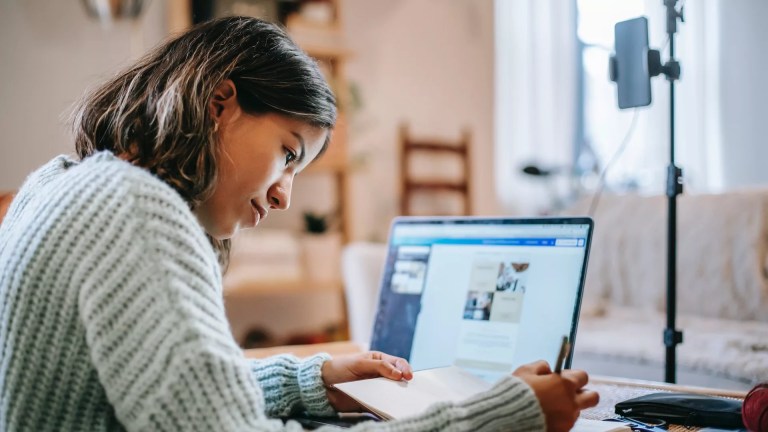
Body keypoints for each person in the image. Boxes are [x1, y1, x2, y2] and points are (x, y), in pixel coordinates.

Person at [0, 16, 598, 431]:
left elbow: (173, 398)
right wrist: (497, 417)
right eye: (288, 153)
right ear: (218, 103)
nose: (285, 196)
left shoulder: (60, 183)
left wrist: (319, 383)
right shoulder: (135, 212)